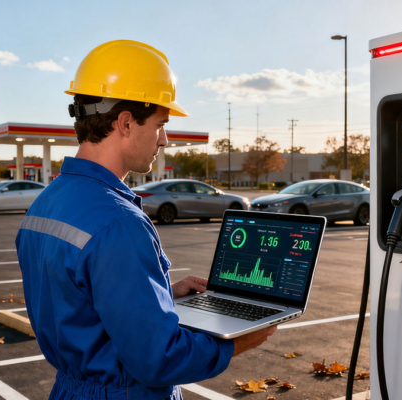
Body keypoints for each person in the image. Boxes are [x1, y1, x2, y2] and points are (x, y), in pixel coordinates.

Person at [16, 40, 276, 400]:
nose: (165, 140)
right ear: (125, 123)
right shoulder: (119, 223)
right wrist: (235, 343)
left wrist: (162, 297)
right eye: (159, 124)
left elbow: (81, 308)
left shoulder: (45, 204)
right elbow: (157, 360)